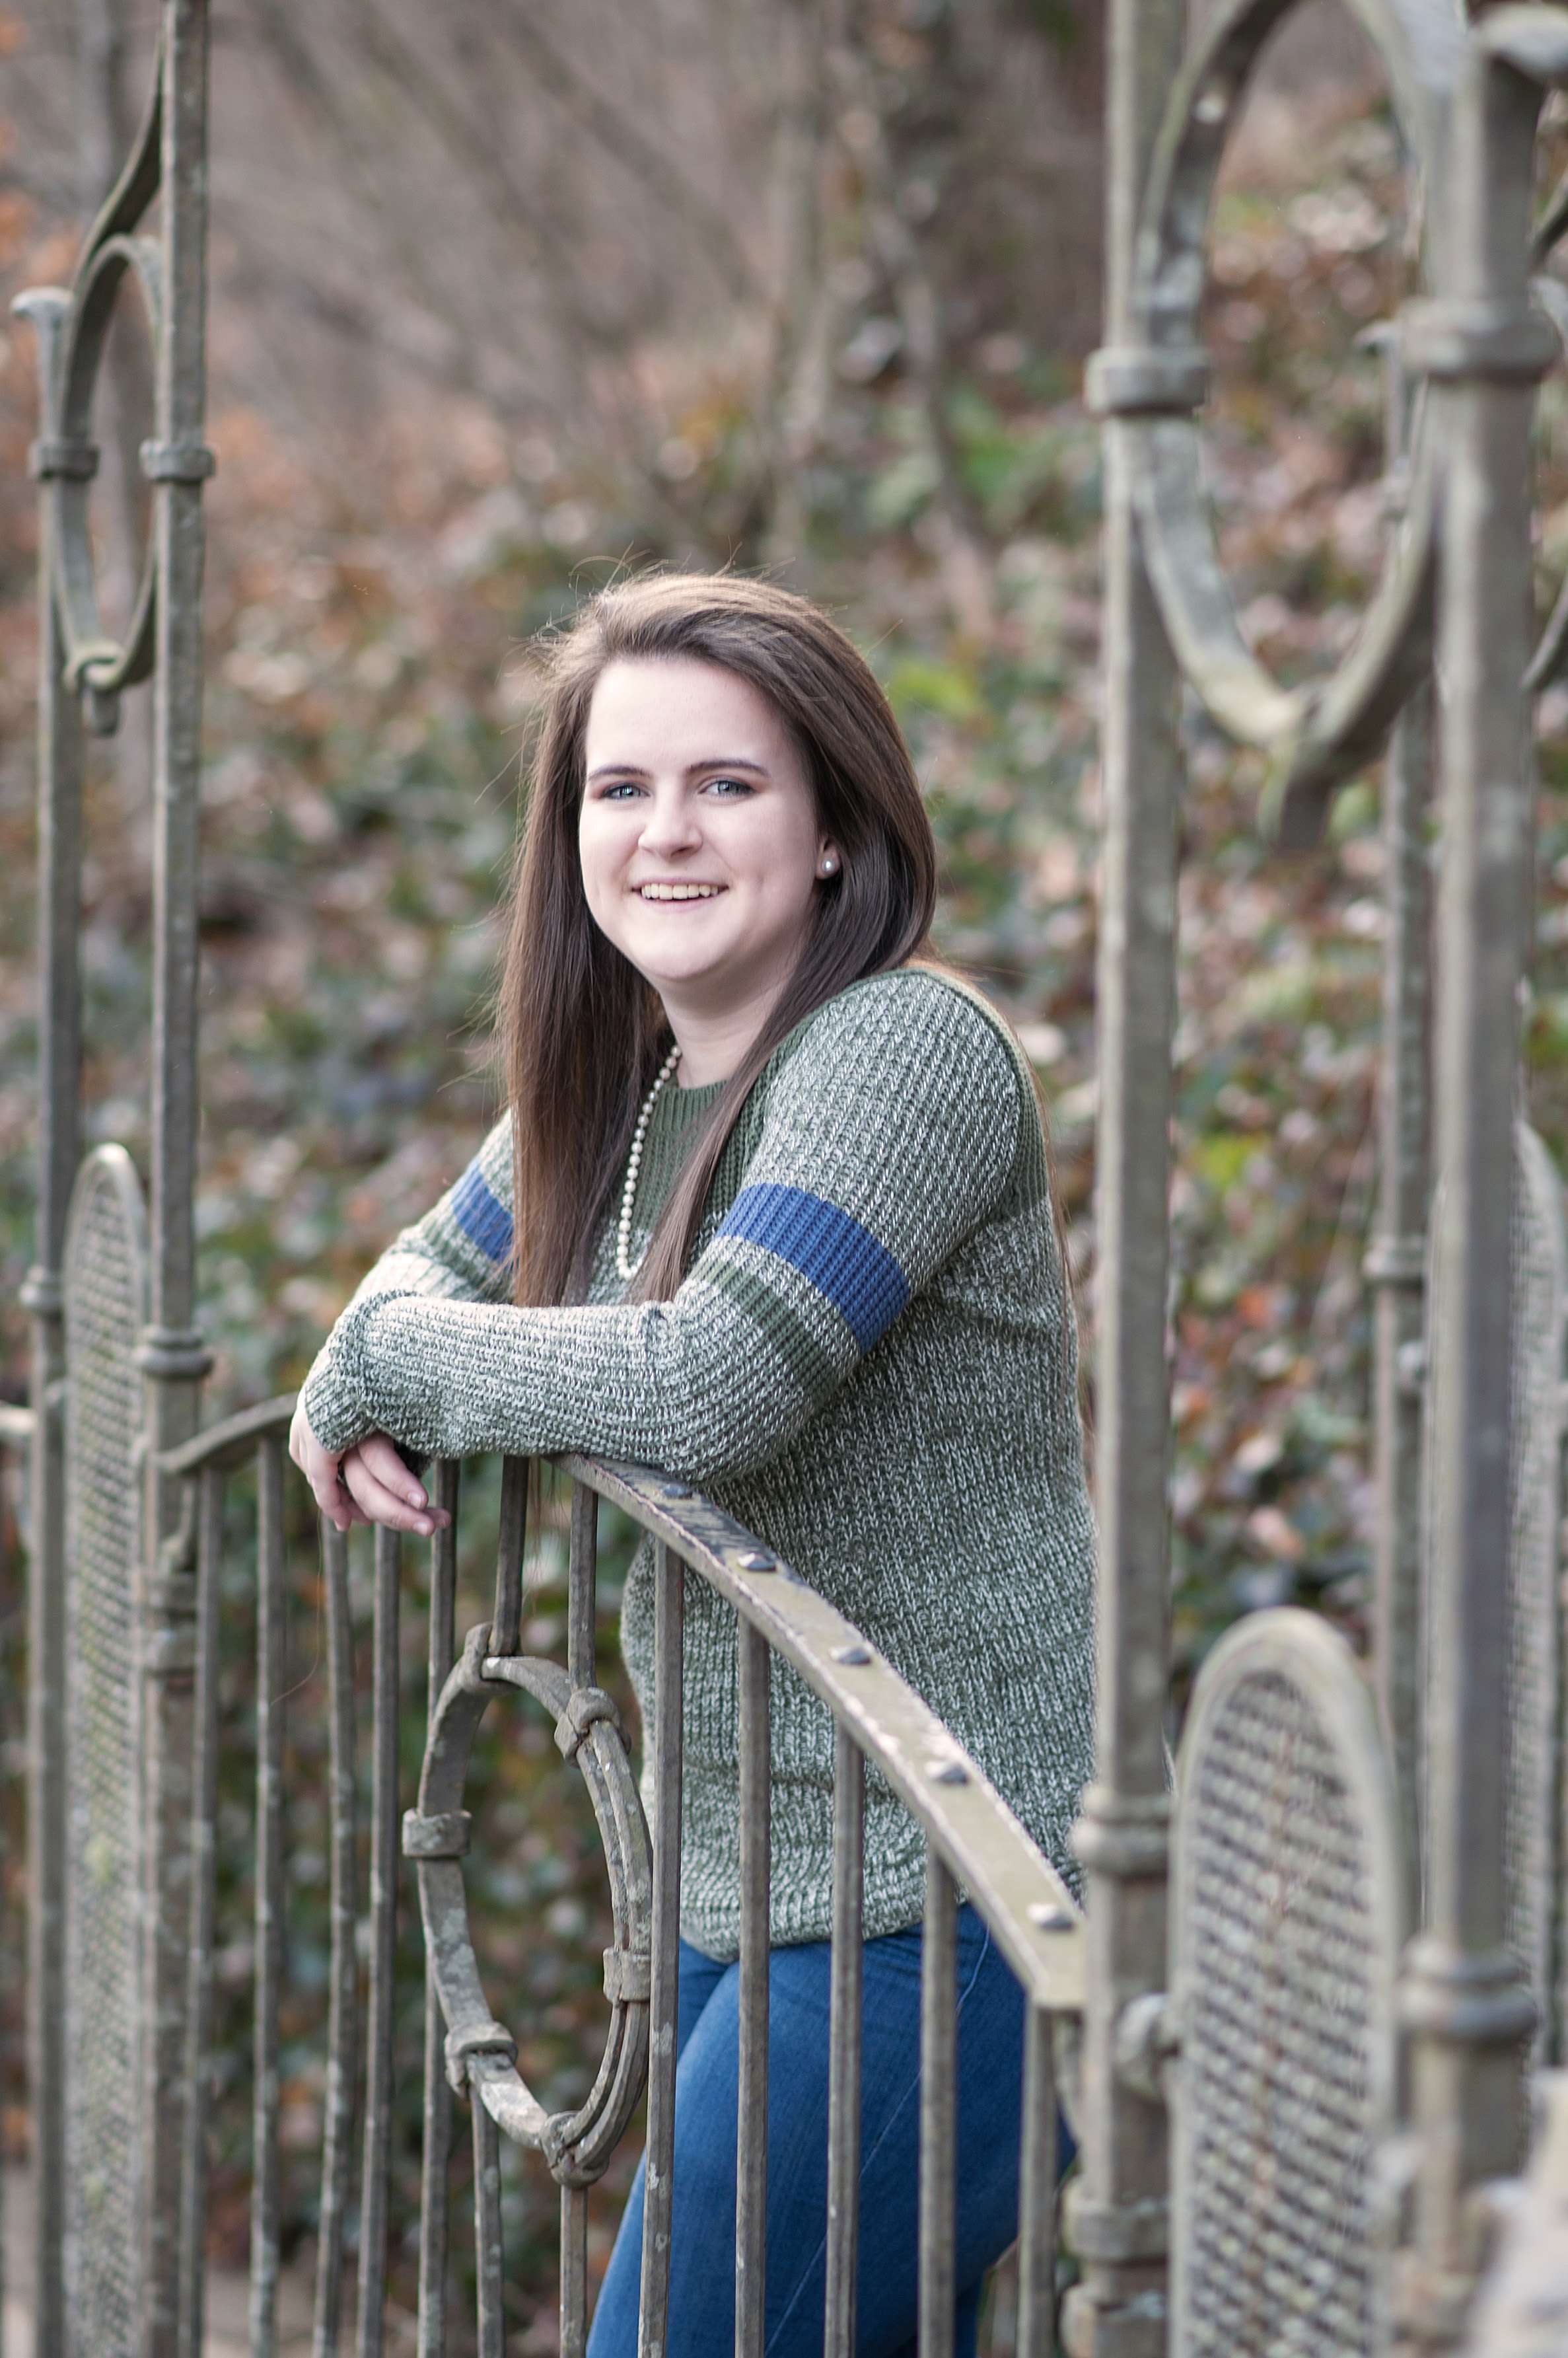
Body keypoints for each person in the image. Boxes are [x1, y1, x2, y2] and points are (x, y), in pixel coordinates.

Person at [291, 571, 1095, 2357]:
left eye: (727, 784)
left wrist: (387, 1366)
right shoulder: (628, 1089)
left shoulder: (899, 1053)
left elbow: (712, 1380)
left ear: (830, 829)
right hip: (761, 1892)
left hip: (954, 1895)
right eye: (618, 786)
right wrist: (375, 1343)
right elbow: (412, 1272)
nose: (665, 831)